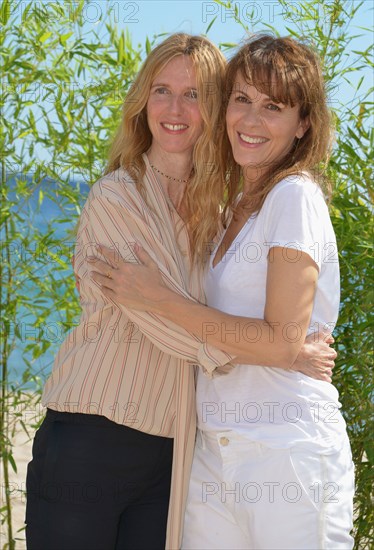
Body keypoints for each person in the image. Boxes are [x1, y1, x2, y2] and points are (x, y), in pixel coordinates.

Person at [26, 33, 335, 550]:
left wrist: (272, 347)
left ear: (213, 108)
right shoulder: (115, 196)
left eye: (193, 94)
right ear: (142, 101)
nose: (175, 108)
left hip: (175, 452)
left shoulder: (219, 217)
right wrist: (279, 353)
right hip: (90, 436)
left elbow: (182, 307)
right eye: (162, 90)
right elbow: (162, 320)